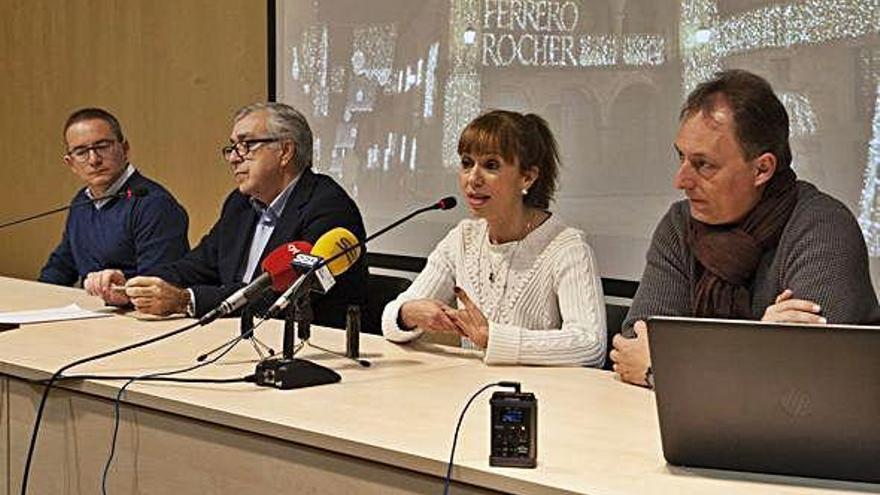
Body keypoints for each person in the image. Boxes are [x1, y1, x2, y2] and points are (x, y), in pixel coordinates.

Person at [610, 69, 880, 387]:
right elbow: (634, 345)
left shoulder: (823, 227)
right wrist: (755, 348)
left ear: (762, 168)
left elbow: (804, 374)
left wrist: (665, 368)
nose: (680, 180)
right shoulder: (679, 225)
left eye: (704, 164)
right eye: (680, 157)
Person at [88, 102, 367, 328]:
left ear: (285, 151)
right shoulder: (240, 204)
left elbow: (289, 296)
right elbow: (195, 266)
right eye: (232, 148)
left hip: (312, 353)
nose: (234, 157)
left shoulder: (329, 208)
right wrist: (133, 286)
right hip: (236, 338)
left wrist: (186, 300)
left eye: (246, 145)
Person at [381, 110, 606, 366]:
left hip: (536, 398)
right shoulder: (462, 239)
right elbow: (390, 321)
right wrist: (407, 314)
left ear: (527, 177)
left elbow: (590, 345)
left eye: (491, 165)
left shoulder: (567, 247)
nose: (473, 179)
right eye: (467, 163)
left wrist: (494, 339)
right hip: (467, 392)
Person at [40, 108, 189, 288]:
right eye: (81, 152)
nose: (94, 160)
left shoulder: (154, 204)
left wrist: (120, 292)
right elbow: (61, 267)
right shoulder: (81, 201)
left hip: (136, 313)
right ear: (70, 163)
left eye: (102, 146)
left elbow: (158, 287)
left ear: (125, 149)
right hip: (92, 310)